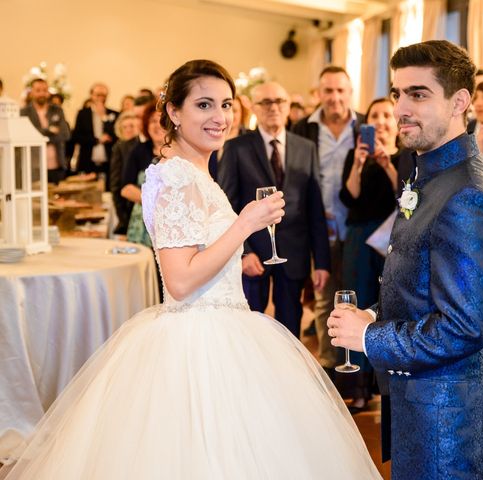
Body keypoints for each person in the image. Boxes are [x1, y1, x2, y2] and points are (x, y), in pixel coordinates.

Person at [0, 59, 380, 480]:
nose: (219, 117)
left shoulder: (199, 171)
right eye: (204, 105)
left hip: (229, 325)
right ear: (174, 114)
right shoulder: (173, 178)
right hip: (197, 339)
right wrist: (244, 226)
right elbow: (180, 280)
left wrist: (237, 257)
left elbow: (204, 251)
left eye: (226, 104)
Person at [328, 40, 483, 479]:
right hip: (419, 401)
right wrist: (373, 312)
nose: (400, 108)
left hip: (446, 423)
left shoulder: (466, 193)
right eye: (397, 93)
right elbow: (426, 283)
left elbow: (464, 329)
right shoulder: (430, 169)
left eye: (418, 94)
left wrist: (370, 337)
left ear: (459, 102)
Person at [218, 81, 331, 338]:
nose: (273, 108)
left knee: (290, 329)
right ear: (254, 108)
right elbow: (225, 207)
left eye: (279, 101)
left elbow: (314, 208)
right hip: (253, 254)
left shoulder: (306, 148)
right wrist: (242, 252)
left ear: (289, 105)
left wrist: (321, 262)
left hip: (294, 252)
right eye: (265, 102)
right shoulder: (237, 148)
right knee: (248, 328)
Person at [338, 97, 412, 413]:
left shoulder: (407, 156)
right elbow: (349, 195)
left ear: (395, 121)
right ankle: (357, 386)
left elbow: (407, 199)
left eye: (386, 115)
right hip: (358, 237)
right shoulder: (355, 155)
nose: (381, 121)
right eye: (374, 115)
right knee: (357, 301)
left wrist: (386, 164)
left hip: (391, 237)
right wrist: (358, 162)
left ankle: (382, 385)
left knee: (385, 304)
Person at [291, 66, 365, 375]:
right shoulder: (302, 129)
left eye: (340, 91)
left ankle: (357, 372)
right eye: (328, 91)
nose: (334, 98)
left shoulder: (365, 127)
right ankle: (328, 365)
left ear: (349, 93)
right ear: (318, 94)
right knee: (323, 297)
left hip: (358, 225)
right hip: (319, 228)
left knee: (357, 297)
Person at [121, 103, 165, 249]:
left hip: (171, 224)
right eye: (152, 121)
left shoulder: (182, 151)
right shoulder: (138, 151)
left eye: (161, 120)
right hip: (142, 224)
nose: (157, 125)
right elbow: (126, 188)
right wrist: (154, 202)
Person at [20, 78, 71, 184]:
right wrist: (50, 131)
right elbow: (27, 136)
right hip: (34, 165)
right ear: (32, 92)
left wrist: (41, 135)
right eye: (38, 90)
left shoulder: (57, 110)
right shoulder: (25, 112)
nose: (42, 93)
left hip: (57, 165)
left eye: (44, 90)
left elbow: (65, 134)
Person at [70, 82, 118, 184]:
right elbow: (76, 136)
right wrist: (97, 140)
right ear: (91, 95)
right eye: (98, 95)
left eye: (103, 95)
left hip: (108, 162)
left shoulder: (113, 114)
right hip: (88, 162)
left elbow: (117, 136)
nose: (101, 98)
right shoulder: (83, 114)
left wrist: (103, 118)